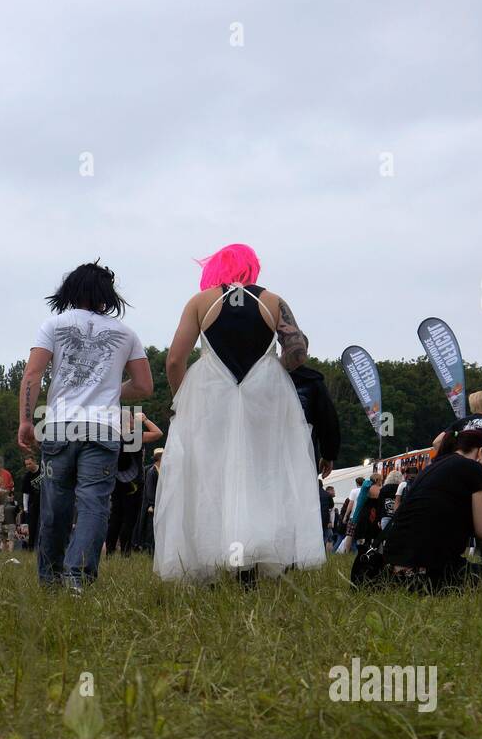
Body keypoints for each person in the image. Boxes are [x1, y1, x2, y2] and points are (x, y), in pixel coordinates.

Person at [152, 243, 324, 583]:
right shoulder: (273, 301)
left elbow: (174, 360)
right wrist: (273, 369)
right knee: (262, 475)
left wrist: (182, 399)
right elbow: (298, 350)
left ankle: (212, 562)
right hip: (263, 395)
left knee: (210, 477)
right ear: (251, 268)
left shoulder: (200, 302)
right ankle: (254, 559)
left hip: (211, 395)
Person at [17, 260, 152, 589]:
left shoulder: (53, 325)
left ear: (72, 290)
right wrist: (111, 392)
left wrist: (25, 419)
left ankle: (50, 581)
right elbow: (145, 386)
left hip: (60, 425)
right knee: (94, 505)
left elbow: (32, 375)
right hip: (103, 428)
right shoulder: (126, 334)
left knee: (55, 506)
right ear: (107, 294)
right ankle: (77, 578)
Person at [354, 430, 482, 592]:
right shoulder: (474, 469)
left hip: (392, 569)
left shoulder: (429, 470)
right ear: (481, 452)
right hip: (433, 573)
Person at [105, 410, 162, 555]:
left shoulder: (112, 437)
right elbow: (158, 433)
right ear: (128, 422)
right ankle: (125, 551)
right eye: (131, 418)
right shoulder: (135, 436)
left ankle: (110, 551)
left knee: (115, 517)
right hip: (134, 483)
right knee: (129, 518)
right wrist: (145, 419)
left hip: (116, 481)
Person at [432, 391, 482, 488]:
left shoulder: (460, 423)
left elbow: (436, 442)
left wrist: (450, 459)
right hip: (481, 473)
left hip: (459, 471)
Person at [134, 447, 163, 553]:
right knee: (149, 528)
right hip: (152, 505)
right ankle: (148, 547)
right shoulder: (152, 472)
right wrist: (152, 504)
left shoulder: (160, 471)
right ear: (159, 458)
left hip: (157, 504)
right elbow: (150, 490)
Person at [17, 454, 42, 551]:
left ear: (35, 462)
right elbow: (25, 493)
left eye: (30, 464)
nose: (28, 466)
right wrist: (25, 508)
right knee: (32, 526)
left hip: (45, 502)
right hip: (33, 503)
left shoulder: (43, 471)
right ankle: (31, 547)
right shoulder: (27, 477)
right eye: (26, 465)